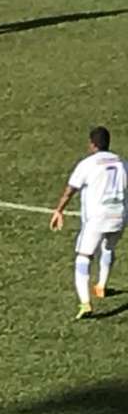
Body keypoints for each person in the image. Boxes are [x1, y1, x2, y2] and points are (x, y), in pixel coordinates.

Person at [49, 126, 128, 320]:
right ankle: (101, 286)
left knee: (83, 257)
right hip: (119, 216)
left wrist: (59, 210)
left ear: (92, 144)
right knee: (108, 247)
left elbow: (70, 189)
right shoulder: (122, 162)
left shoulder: (88, 164)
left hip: (97, 218)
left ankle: (85, 303)